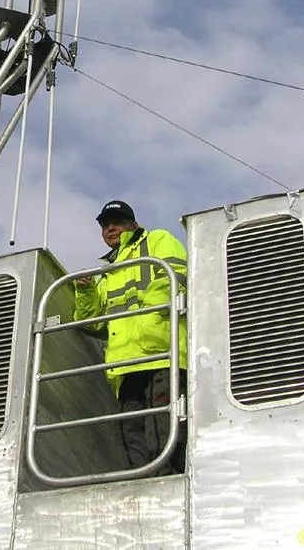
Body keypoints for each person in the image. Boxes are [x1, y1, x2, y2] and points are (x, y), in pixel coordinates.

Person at [73, 199, 188, 475]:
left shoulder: (158, 239)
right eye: (105, 224)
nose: (110, 228)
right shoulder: (105, 273)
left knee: (163, 430)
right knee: (131, 437)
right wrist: (85, 291)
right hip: (123, 367)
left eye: (118, 222)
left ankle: (170, 481)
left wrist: (148, 315)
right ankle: (144, 485)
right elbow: (91, 323)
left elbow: (178, 274)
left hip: (161, 355)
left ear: (133, 225)